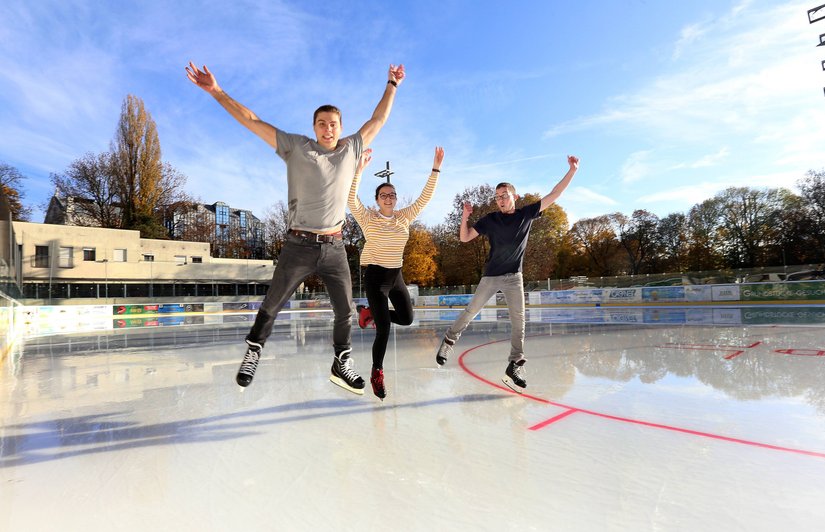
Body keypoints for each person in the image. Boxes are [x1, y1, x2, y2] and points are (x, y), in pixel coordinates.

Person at [186, 61, 405, 394]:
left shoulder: (351, 149)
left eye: (333, 124)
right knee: (273, 302)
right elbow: (252, 120)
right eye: (321, 124)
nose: (328, 129)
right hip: (299, 244)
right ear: (314, 127)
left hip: (334, 247)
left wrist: (392, 83)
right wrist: (217, 91)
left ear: (340, 127)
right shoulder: (297, 147)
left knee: (345, 309)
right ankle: (254, 350)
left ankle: (341, 362)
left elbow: (378, 119)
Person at [435, 155, 580, 392]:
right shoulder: (490, 219)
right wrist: (465, 216)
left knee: (519, 322)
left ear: (515, 196)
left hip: (514, 277)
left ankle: (515, 364)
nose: (500, 200)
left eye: (504, 196)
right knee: (471, 311)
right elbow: (464, 237)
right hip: (491, 276)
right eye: (497, 197)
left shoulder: (526, 214)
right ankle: (449, 341)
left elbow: (555, 194)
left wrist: (572, 171)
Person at [350, 146, 444, 400]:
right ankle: (377, 373)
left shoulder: (404, 217)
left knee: (406, 318)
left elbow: (425, 198)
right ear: (377, 199)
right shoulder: (368, 218)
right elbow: (350, 199)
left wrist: (435, 168)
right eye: (383, 195)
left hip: (396, 277)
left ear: (396, 198)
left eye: (392, 194)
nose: (388, 197)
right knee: (383, 329)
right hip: (376, 278)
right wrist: (358, 171)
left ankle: (368, 313)